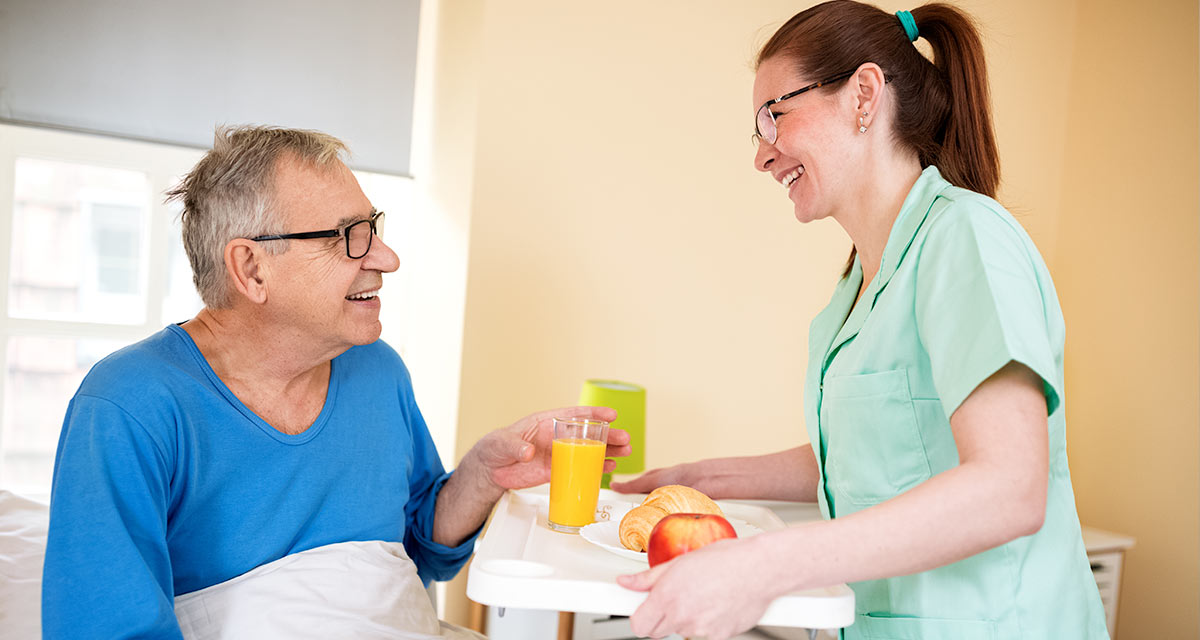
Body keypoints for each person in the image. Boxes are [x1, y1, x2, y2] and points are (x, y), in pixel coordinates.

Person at [612, 3, 1109, 639]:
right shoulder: (854, 291)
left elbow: (1009, 486)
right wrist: (694, 482)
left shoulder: (966, 240)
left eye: (774, 116)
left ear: (864, 95)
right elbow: (865, 460)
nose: (762, 156)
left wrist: (763, 566)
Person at [41, 125, 630, 638]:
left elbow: (417, 555)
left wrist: (481, 476)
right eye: (349, 235)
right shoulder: (128, 406)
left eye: (373, 226)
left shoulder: (377, 370)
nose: (387, 257)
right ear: (251, 268)